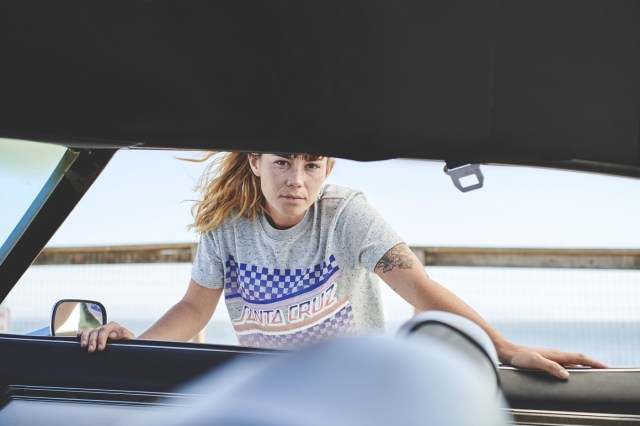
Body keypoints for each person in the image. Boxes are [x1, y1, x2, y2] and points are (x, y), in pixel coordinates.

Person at [79, 152, 606, 379]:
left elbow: (420, 289)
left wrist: (506, 349)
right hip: (272, 386)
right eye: (282, 162)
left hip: (355, 388)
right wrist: (139, 345)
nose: (297, 180)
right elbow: (195, 308)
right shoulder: (226, 226)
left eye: (312, 164)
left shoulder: (347, 214)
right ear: (255, 161)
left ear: (328, 167)